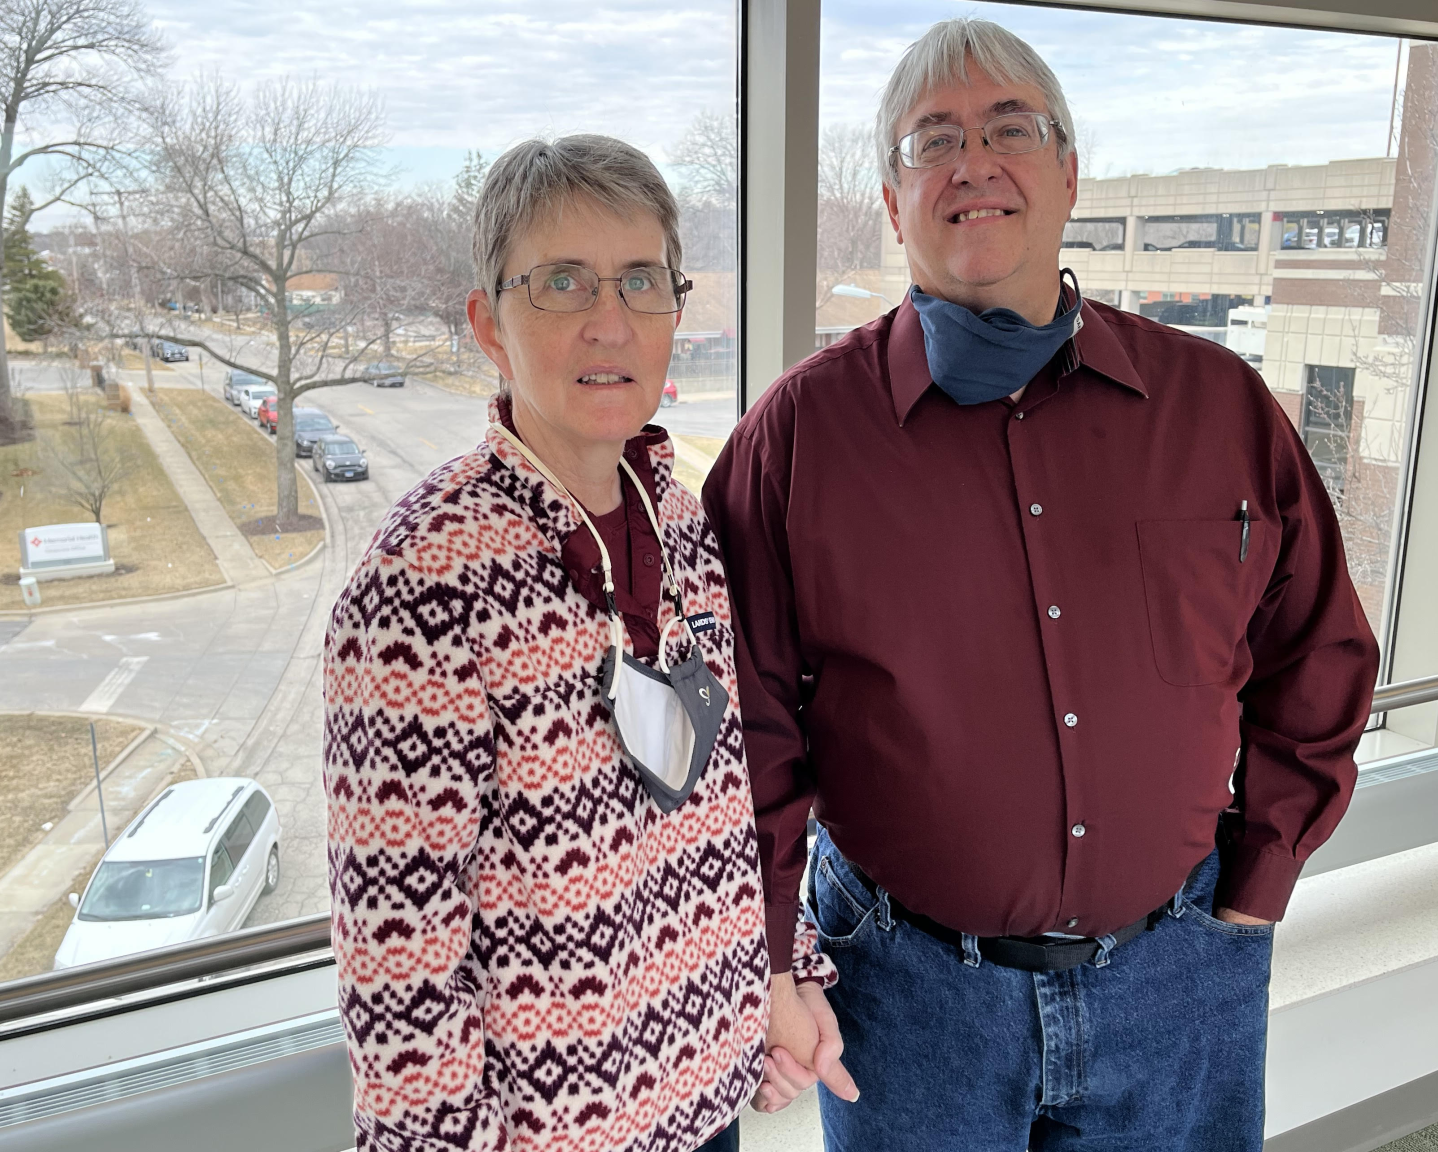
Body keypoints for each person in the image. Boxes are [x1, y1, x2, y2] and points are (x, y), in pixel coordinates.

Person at [704, 18, 1379, 1152]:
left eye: (1009, 128)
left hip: (1178, 981)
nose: (973, 162)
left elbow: (1317, 653)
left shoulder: (1217, 408)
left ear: (1068, 173)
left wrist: (1256, 881)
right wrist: (770, 954)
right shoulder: (797, 439)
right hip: (910, 999)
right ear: (892, 202)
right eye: (933, 140)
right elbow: (745, 728)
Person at [322, 134, 834, 1152]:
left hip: (706, 1109)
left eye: (641, 280)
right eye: (561, 282)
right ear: (489, 325)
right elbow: (399, 967)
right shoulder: (424, 582)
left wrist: (782, 977)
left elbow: (727, 804)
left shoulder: (681, 524)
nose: (610, 320)